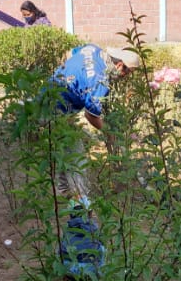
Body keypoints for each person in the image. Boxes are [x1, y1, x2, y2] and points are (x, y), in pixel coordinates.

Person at [47, 43, 140, 201]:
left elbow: (70, 54)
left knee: (67, 147)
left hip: (51, 92)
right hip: (56, 107)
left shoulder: (93, 49)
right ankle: (82, 203)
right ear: (119, 65)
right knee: (77, 157)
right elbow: (91, 115)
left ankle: (64, 189)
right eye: (128, 72)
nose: (126, 77)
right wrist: (110, 133)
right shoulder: (100, 80)